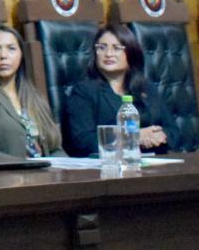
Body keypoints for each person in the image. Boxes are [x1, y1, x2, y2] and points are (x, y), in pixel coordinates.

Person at [63, 23, 171, 156]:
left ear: (131, 52)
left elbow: (174, 131)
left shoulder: (146, 87)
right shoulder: (83, 91)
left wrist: (159, 136)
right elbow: (82, 140)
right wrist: (134, 138)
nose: (108, 54)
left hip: (155, 162)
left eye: (117, 48)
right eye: (102, 48)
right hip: (108, 168)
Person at [0, 24, 66, 162]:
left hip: (45, 175)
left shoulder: (32, 95)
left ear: (21, 55)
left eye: (11, 48)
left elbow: (55, 148)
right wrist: (27, 165)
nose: (3, 56)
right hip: (8, 178)